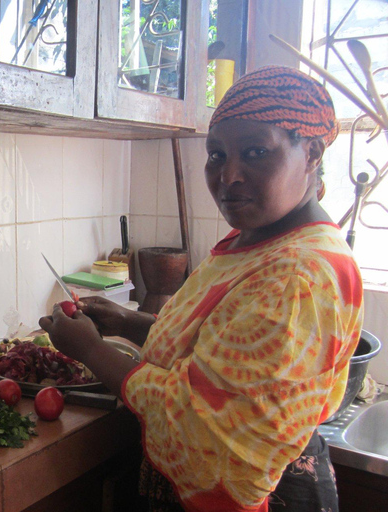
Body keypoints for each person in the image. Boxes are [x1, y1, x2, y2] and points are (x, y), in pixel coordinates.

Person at [39, 66, 363, 512]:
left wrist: (92, 351)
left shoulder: (297, 277)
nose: (229, 176)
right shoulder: (260, 237)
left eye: (255, 152)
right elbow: (217, 348)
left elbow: (204, 429)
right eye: (216, 155)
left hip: (263, 496)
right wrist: (130, 323)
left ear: (310, 153)